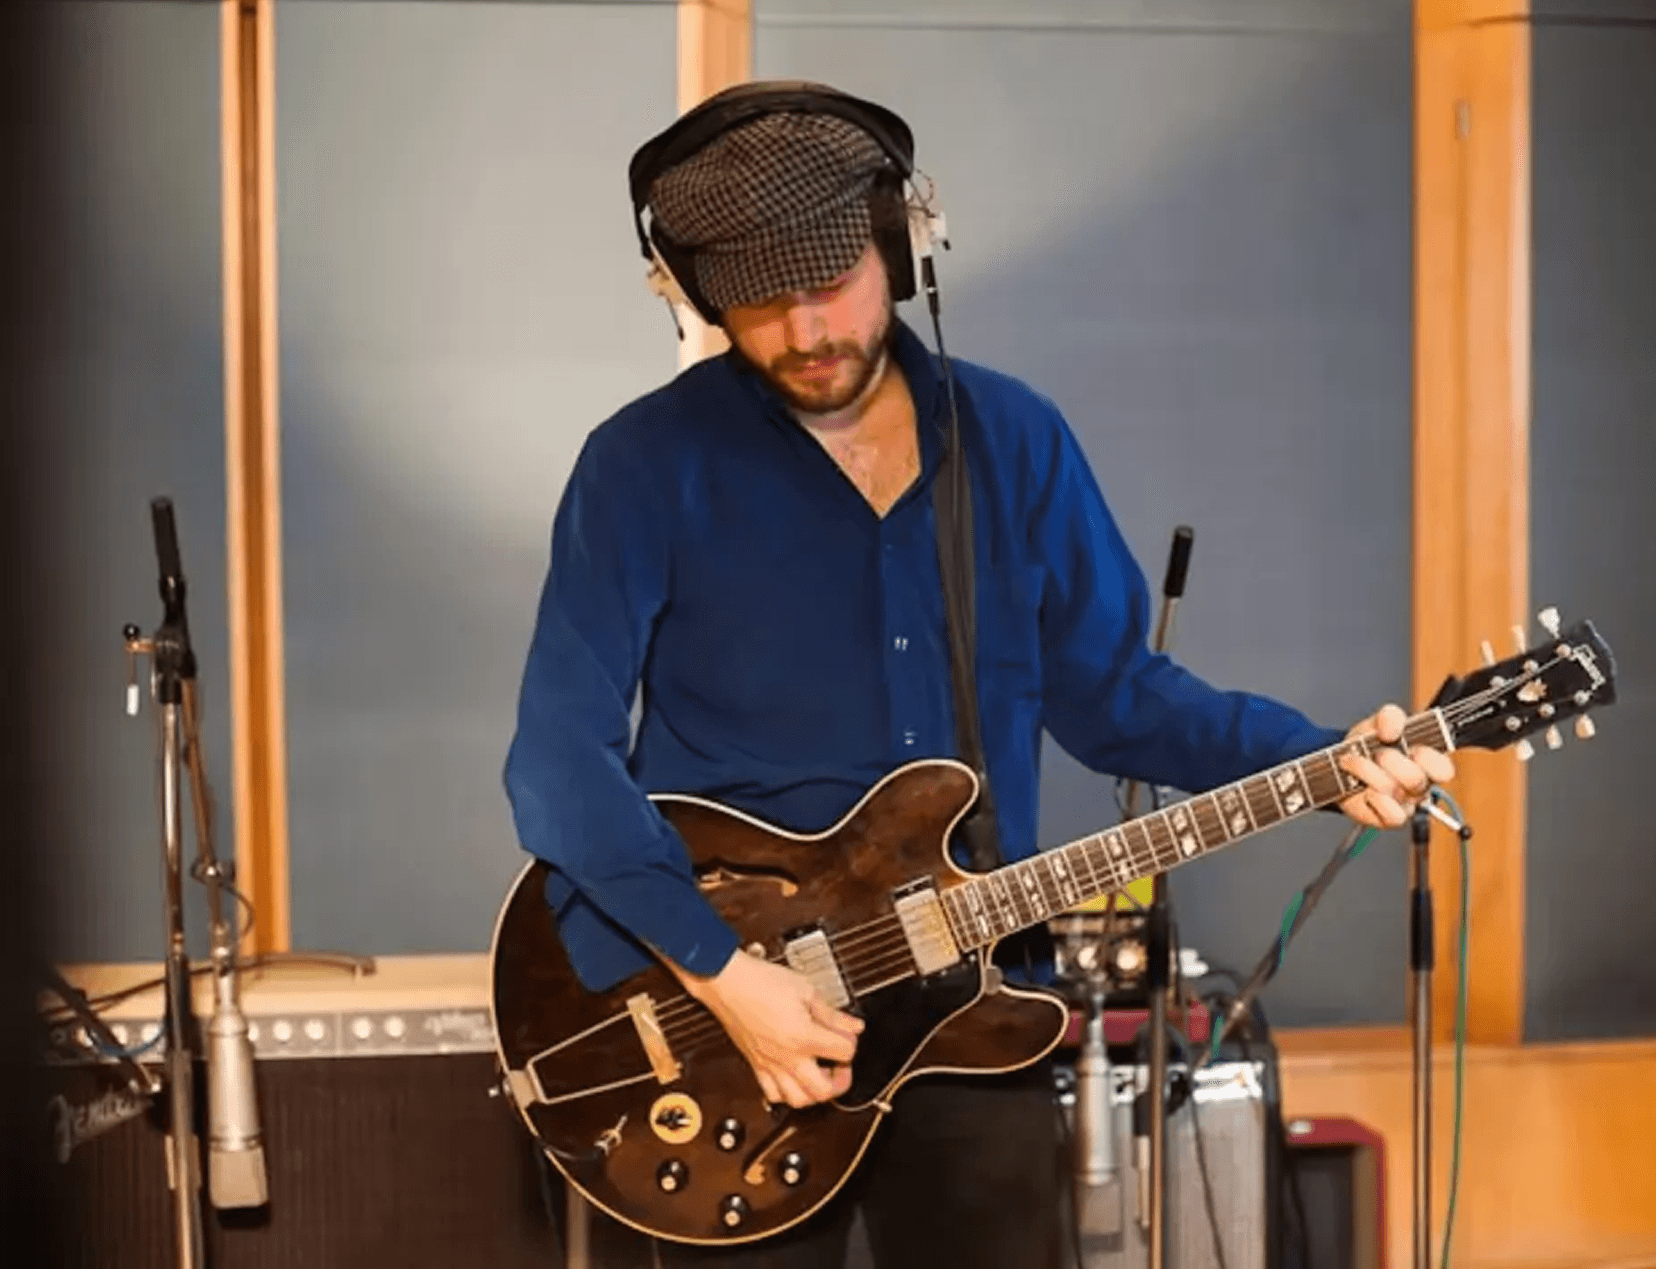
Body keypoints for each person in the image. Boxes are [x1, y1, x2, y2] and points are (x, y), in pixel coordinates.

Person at [503, 81, 1454, 1269]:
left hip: (974, 1005)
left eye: (832, 283)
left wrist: (1318, 762)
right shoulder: (640, 467)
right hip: (733, 1022)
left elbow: (1118, 697)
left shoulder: (1015, 439)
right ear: (701, 303)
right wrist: (724, 977)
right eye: (759, 306)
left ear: (901, 248)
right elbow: (555, 765)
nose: (805, 333)